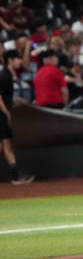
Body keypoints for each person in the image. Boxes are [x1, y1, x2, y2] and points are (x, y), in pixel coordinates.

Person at [0, 50, 34, 185]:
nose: (20, 61)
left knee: (6, 144)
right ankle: (16, 176)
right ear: (10, 60)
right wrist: (6, 112)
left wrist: (14, 101)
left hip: (3, 113)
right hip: (1, 115)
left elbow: (5, 97)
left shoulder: (8, 74)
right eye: (17, 59)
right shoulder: (4, 76)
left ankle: (16, 175)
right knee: (5, 145)